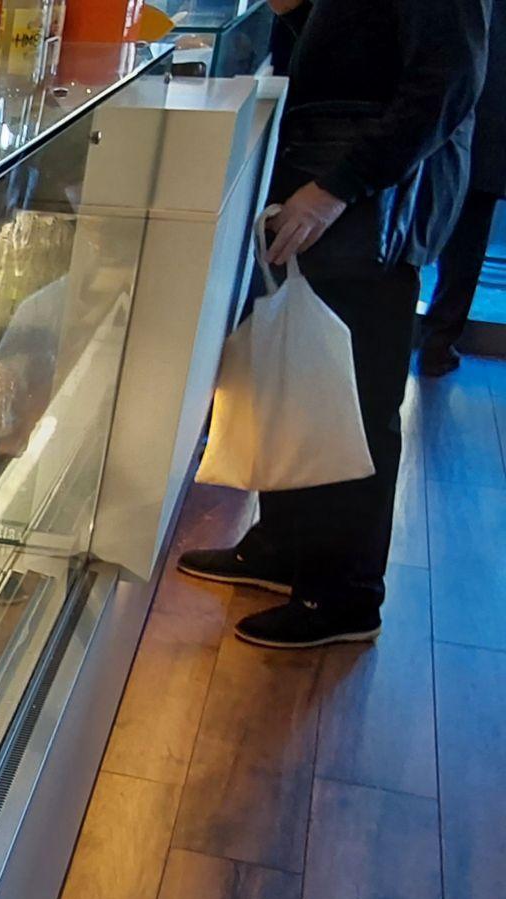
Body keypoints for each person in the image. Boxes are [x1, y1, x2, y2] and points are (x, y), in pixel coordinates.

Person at [179, 0, 487, 649]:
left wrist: (337, 186)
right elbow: (359, 51)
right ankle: (287, 548)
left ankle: (345, 594)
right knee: (297, 376)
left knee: (354, 396)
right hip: (333, 180)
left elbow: (448, 80)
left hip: (368, 201)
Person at [420, 0, 506, 376]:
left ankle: (433, 339)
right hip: (487, 113)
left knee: (454, 230)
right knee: (469, 232)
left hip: (466, 106)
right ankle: (437, 342)